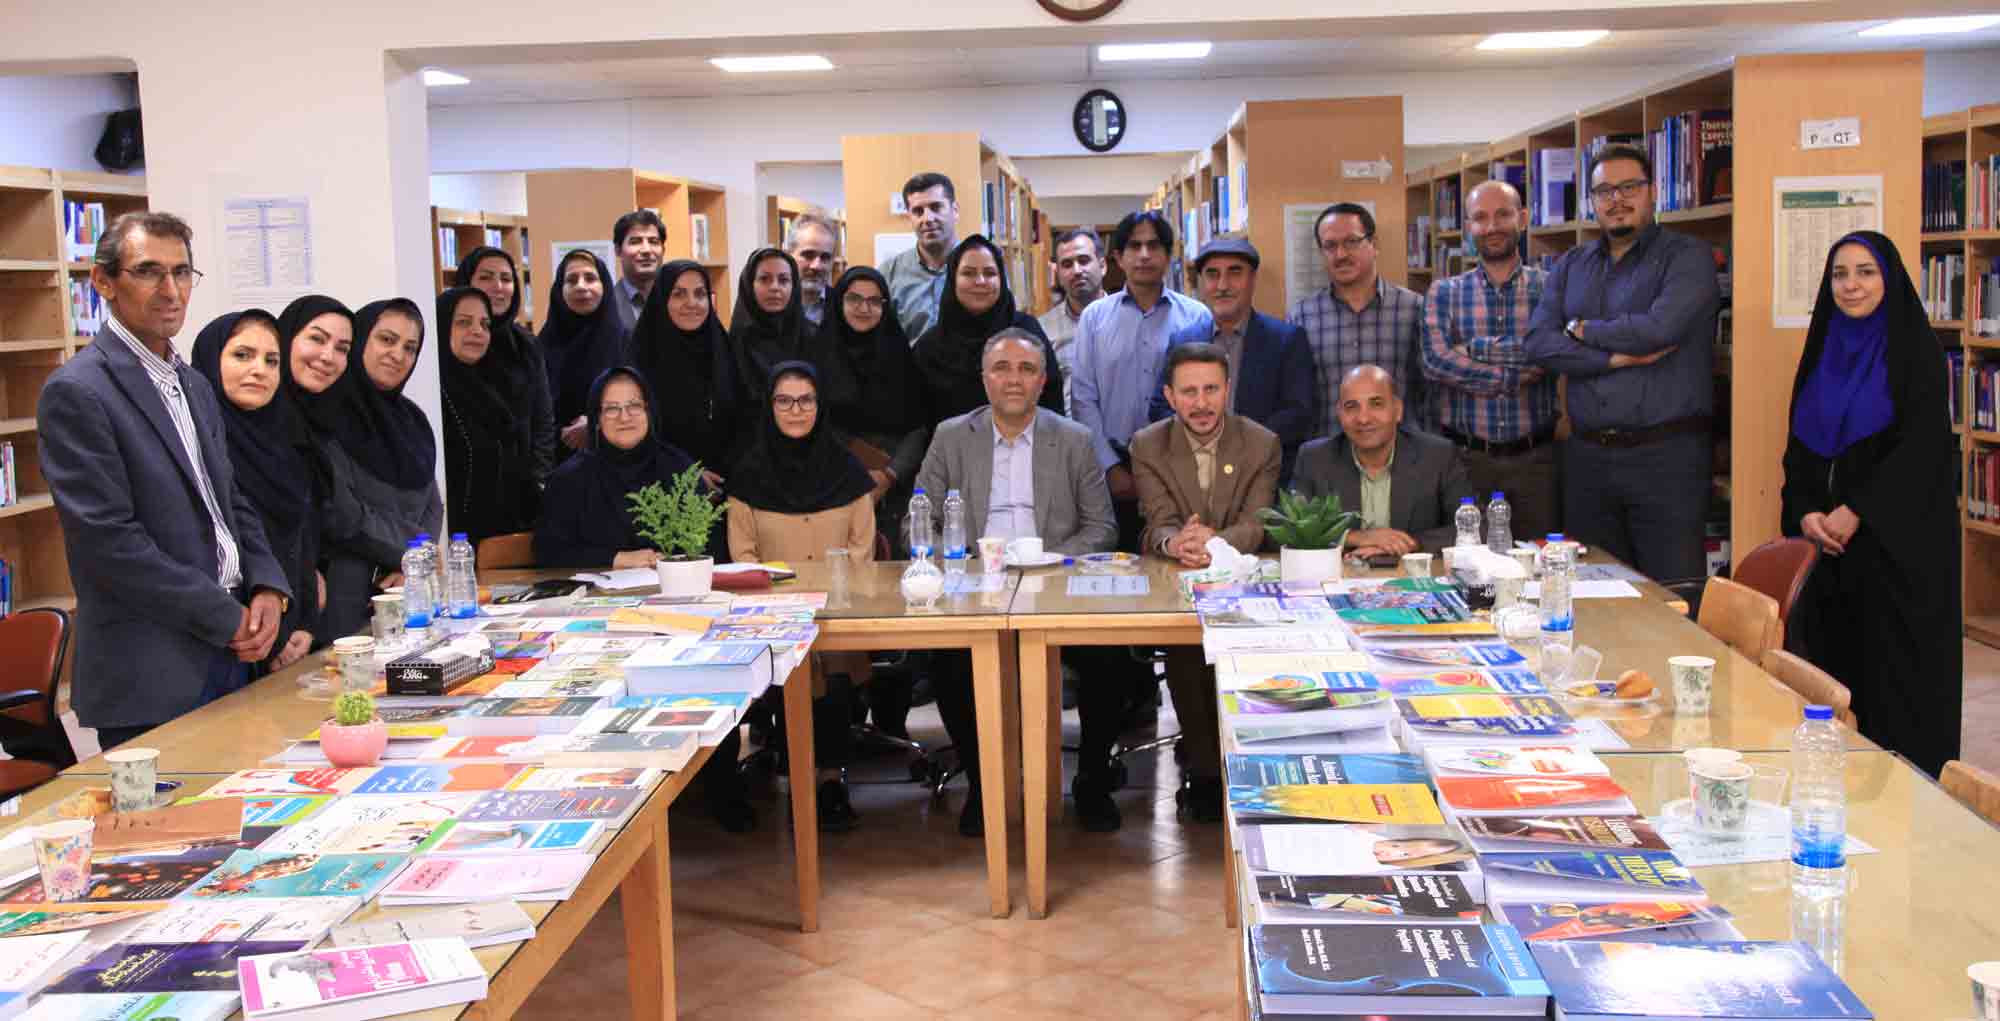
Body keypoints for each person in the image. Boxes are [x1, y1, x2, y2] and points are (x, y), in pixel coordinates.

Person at [38, 211, 290, 750]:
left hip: (232, 648)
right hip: (153, 668)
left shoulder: (193, 384)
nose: (171, 290)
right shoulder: (78, 392)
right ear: (103, 282)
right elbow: (110, 544)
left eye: (181, 272)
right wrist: (225, 617)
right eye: (149, 271)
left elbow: (229, 502)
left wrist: (268, 584)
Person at [915, 329, 1118, 836]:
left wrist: (1050, 559)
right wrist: (958, 560)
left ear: (1043, 381)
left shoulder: (1073, 439)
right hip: (973, 585)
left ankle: (1092, 781)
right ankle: (984, 786)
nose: (1013, 379)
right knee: (949, 664)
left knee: (1109, 658)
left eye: (1026, 369)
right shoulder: (951, 436)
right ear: (984, 378)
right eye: (1001, 368)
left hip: (1053, 584)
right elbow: (917, 521)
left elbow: (1101, 527)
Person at [534, 367, 753, 830]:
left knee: (711, 670)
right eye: (611, 408)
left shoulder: (679, 469)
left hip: (678, 614)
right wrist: (616, 558)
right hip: (601, 621)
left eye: (634, 405)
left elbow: (713, 546)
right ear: (595, 418)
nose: (624, 416)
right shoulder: (570, 479)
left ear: (650, 411)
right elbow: (549, 552)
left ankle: (720, 784)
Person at [1782, 231, 1960, 777]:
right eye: (1840, 274)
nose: (1851, 285)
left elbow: (1922, 452)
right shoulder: (1822, 348)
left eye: (1866, 272)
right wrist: (1806, 510)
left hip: (1895, 557)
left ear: (1890, 279)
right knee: (1833, 683)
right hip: (1829, 554)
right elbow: (1798, 449)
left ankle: (1910, 794)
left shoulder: (1915, 352)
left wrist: (1858, 508)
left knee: (1895, 692)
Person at [1523, 143, 1721, 580]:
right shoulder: (1571, 264)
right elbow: (1538, 342)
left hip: (1667, 458)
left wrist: (1583, 330)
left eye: (1629, 187)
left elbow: (1659, 329)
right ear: (1592, 201)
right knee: (1593, 592)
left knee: (1673, 595)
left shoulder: (1688, 256)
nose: (1617, 199)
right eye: (1604, 191)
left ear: (1654, 191)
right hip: (1587, 460)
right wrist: (1613, 360)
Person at [1130, 343, 1281, 821]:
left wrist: (1213, 542)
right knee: (1185, 645)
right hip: (1179, 579)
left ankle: (1250, 766)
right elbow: (1158, 521)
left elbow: (1259, 521)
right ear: (1170, 396)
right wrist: (1177, 543)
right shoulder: (1147, 445)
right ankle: (1206, 772)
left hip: (1243, 579)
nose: (1201, 403)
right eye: (1189, 392)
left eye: (1211, 389)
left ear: (1228, 390)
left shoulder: (1261, 443)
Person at [725, 362, 878, 830]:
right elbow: (743, 556)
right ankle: (798, 780)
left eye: (806, 400)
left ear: (819, 405)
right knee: (793, 668)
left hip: (839, 609)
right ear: (769, 407)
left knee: (831, 672)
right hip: (773, 614)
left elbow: (862, 550)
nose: (796, 410)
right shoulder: (748, 474)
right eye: (784, 400)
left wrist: (829, 599)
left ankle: (829, 783)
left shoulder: (848, 472)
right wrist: (786, 606)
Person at [1420, 180, 1560, 542]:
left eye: (1503, 215)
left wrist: (1472, 349)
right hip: (1465, 461)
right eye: (1480, 218)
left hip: (1536, 461)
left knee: (1538, 561)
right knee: (1467, 563)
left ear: (1523, 218)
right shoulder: (1444, 292)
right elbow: (1435, 361)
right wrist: (1513, 375)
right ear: (1468, 226)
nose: (1492, 226)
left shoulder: (1552, 287)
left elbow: (1551, 353)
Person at [1071, 210, 1213, 550]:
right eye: (1135, 246)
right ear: (1118, 258)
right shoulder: (1094, 318)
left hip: (1180, 469)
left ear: (1168, 254)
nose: (1145, 255)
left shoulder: (1196, 316)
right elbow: (1083, 398)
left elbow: (1207, 394)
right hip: (1113, 468)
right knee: (1115, 566)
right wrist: (1109, 467)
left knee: (1179, 558)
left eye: (1154, 245)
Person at [190, 310, 320, 674]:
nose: (259, 370)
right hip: (229, 639)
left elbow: (300, 541)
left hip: (288, 629)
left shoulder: (285, 439)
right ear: (211, 360)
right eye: (242, 355)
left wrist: (303, 623)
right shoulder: (197, 444)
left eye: (271, 360)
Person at [311, 298, 443, 643]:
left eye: (410, 348)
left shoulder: (413, 421)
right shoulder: (325, 413)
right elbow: (343, 513)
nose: (398, 355)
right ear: (360, 341)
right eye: (387, 339)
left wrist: (414, 563)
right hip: (344, 597)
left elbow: (432, 503)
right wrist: (414, 552)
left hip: (406, 590)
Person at [1149, 238, 1317, 485]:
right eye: (1212, 275)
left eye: (1234, 273)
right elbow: (1159, 408)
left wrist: (1237, 443)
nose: (1222, 285)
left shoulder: (1287, 340)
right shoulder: (1182, 341)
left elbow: (1299, 413)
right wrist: (1199, 440)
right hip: (1194, 480)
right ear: (1202, 283)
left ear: (1253, 279)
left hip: (1263, 478)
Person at [1294, 365, 1474, 557]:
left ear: (1398, 410)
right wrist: (1354, 537)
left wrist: (1410, 543)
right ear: (1339, 413)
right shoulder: (1315, 458)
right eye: (1351, 406)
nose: (1363, 418)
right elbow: (1283, 528)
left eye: (1376, 404)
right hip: (1343, 572)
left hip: (1414, 573)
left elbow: (1475, 527)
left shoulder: (1437, 455)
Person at [1289, 202, 1428, 439]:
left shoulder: (1414, 309)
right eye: (1330, 246)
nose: (1341, 254)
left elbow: (1429, 392)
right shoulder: (1301, 317)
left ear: (1374, 244)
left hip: (1401, 453)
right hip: (1328, 453)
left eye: (1351, 242)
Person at [809, 267, 924, 536]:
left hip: (895, 487)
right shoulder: (816, 356)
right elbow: (812, 422)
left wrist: (888, 475)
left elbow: (920, 427)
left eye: (874, 301)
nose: (864, 308)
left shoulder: (902, 358)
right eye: (854, 299)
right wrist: (856, 475)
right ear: (838, 302)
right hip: (833, 483)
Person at [912, 235, 1064, 428]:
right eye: (968, 273)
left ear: (1001, 279)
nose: (980, 281)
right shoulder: (929, 348)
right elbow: (918, 422)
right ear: (953, 279)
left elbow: (1051, 405)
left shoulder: (1026, 332)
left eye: (990, 273)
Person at [438, 287, 542, 545]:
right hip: (455, 546)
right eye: (464, 322)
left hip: (507, 541)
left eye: (485, 324)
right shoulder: (431, 393)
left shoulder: (500, 388)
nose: (477, 331)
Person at [630, 260, 741, 480]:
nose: (692, 303)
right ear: (662, 300)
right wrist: (687, 473)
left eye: (700, 294)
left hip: (726, 483)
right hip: (662, 484)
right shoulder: (642, 360)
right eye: (679, 294)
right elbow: (636, 438)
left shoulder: (724, 350)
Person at [456, 245, 557, 480]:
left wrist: (539, 478)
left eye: (506, 279)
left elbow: (543, 421)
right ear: (466, 284)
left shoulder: (526, 344)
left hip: (523, 482)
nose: (498, 287)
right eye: (486, 277)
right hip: (466, 481)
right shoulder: (451, 342)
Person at [540, 249, 627, 452]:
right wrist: (560, 433)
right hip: (554, 456)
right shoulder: (541, 346)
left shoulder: (626, 342)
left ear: (604, 285)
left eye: (590, 278)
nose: (581, 286)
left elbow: (641, 403)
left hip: (615, 454)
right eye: (571, 280)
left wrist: (597, 423)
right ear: (559, 290)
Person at [880, 172, 959, 340]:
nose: (927, 218)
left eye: (936, 207)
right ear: (909, 217)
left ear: (955, 210)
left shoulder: (984, 267)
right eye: (918, 211)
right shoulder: (888, 273)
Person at [728, 248, 808, 411]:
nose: (775, 287)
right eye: (764, 279)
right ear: (749, 285)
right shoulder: (733, 344)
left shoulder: (812, 336)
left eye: (783, 280)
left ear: (794, 286)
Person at [1037, 228, 1107, 411]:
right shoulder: (1042, 330)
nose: (1077, 271)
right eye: (1067, 264)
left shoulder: (1129, 321)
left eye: (1084, 261)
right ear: (1058, 275)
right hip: (1068, 427)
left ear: (1102, 266)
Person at [608, 210, 667, 337]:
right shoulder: (606, 306)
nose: (646, 250)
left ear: (663, 250)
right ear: (618, 250)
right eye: (635, 242)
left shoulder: (675, 301)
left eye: (653, 242)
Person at [785, 212, 840, 330]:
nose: (817, 266)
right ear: (788, 256)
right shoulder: (771, 305)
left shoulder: (844, 308)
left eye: (825, 257)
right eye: (808, 255)